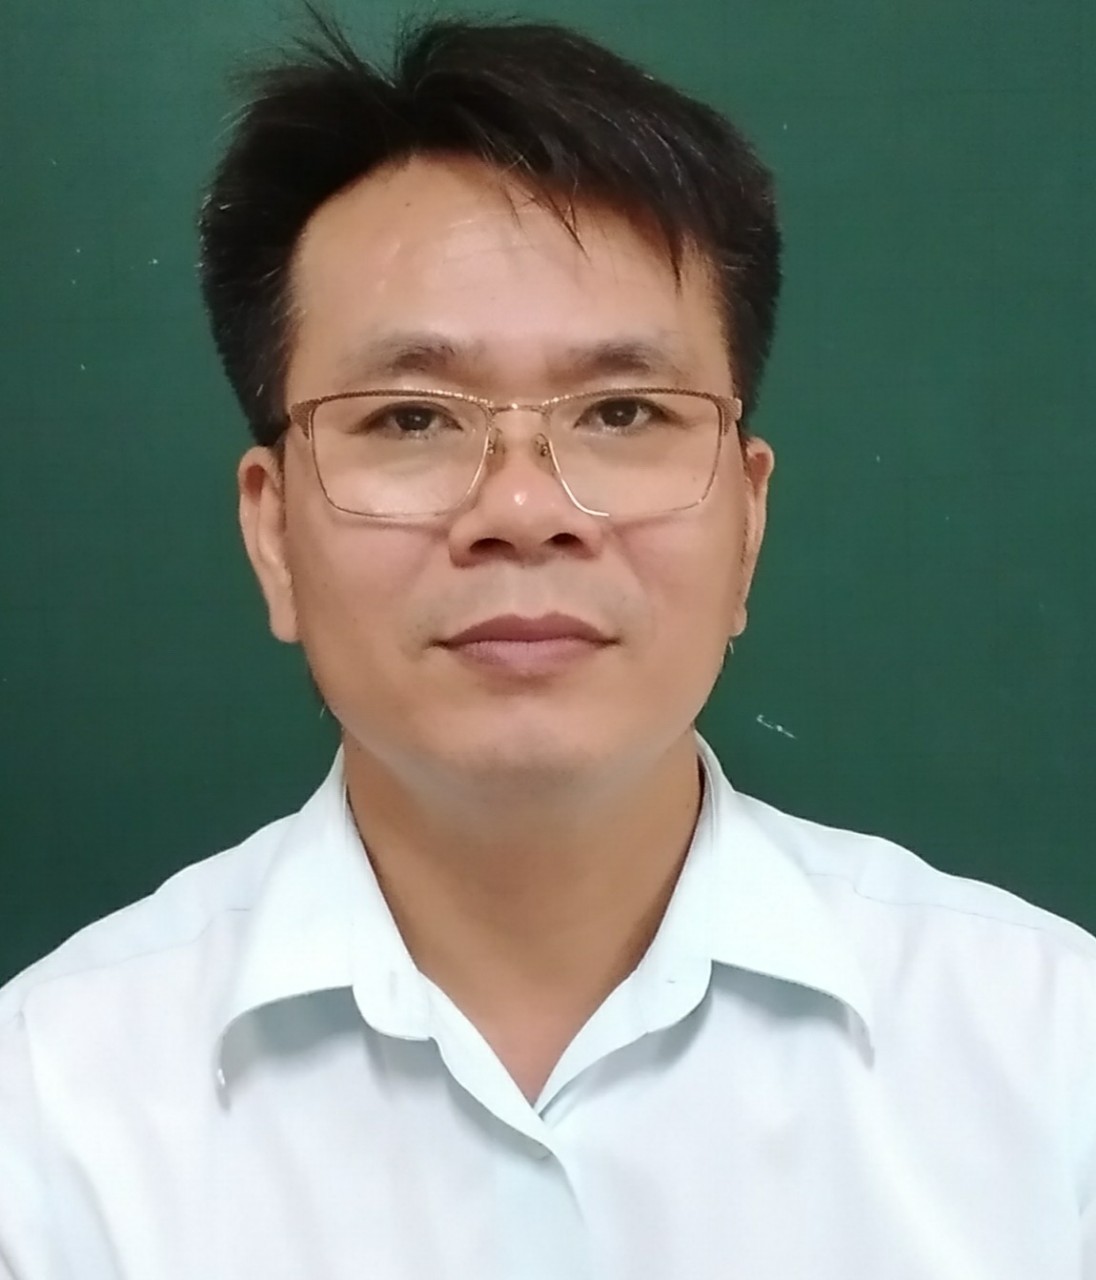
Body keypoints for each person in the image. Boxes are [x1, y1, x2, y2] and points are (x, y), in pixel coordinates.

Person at [1, 12, 1093, 1279]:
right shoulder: (46, 1115)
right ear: (273, 533)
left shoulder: (1052, 1063)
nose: (521, 510)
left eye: (622, 410)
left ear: (746, 520)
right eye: (410, 416)